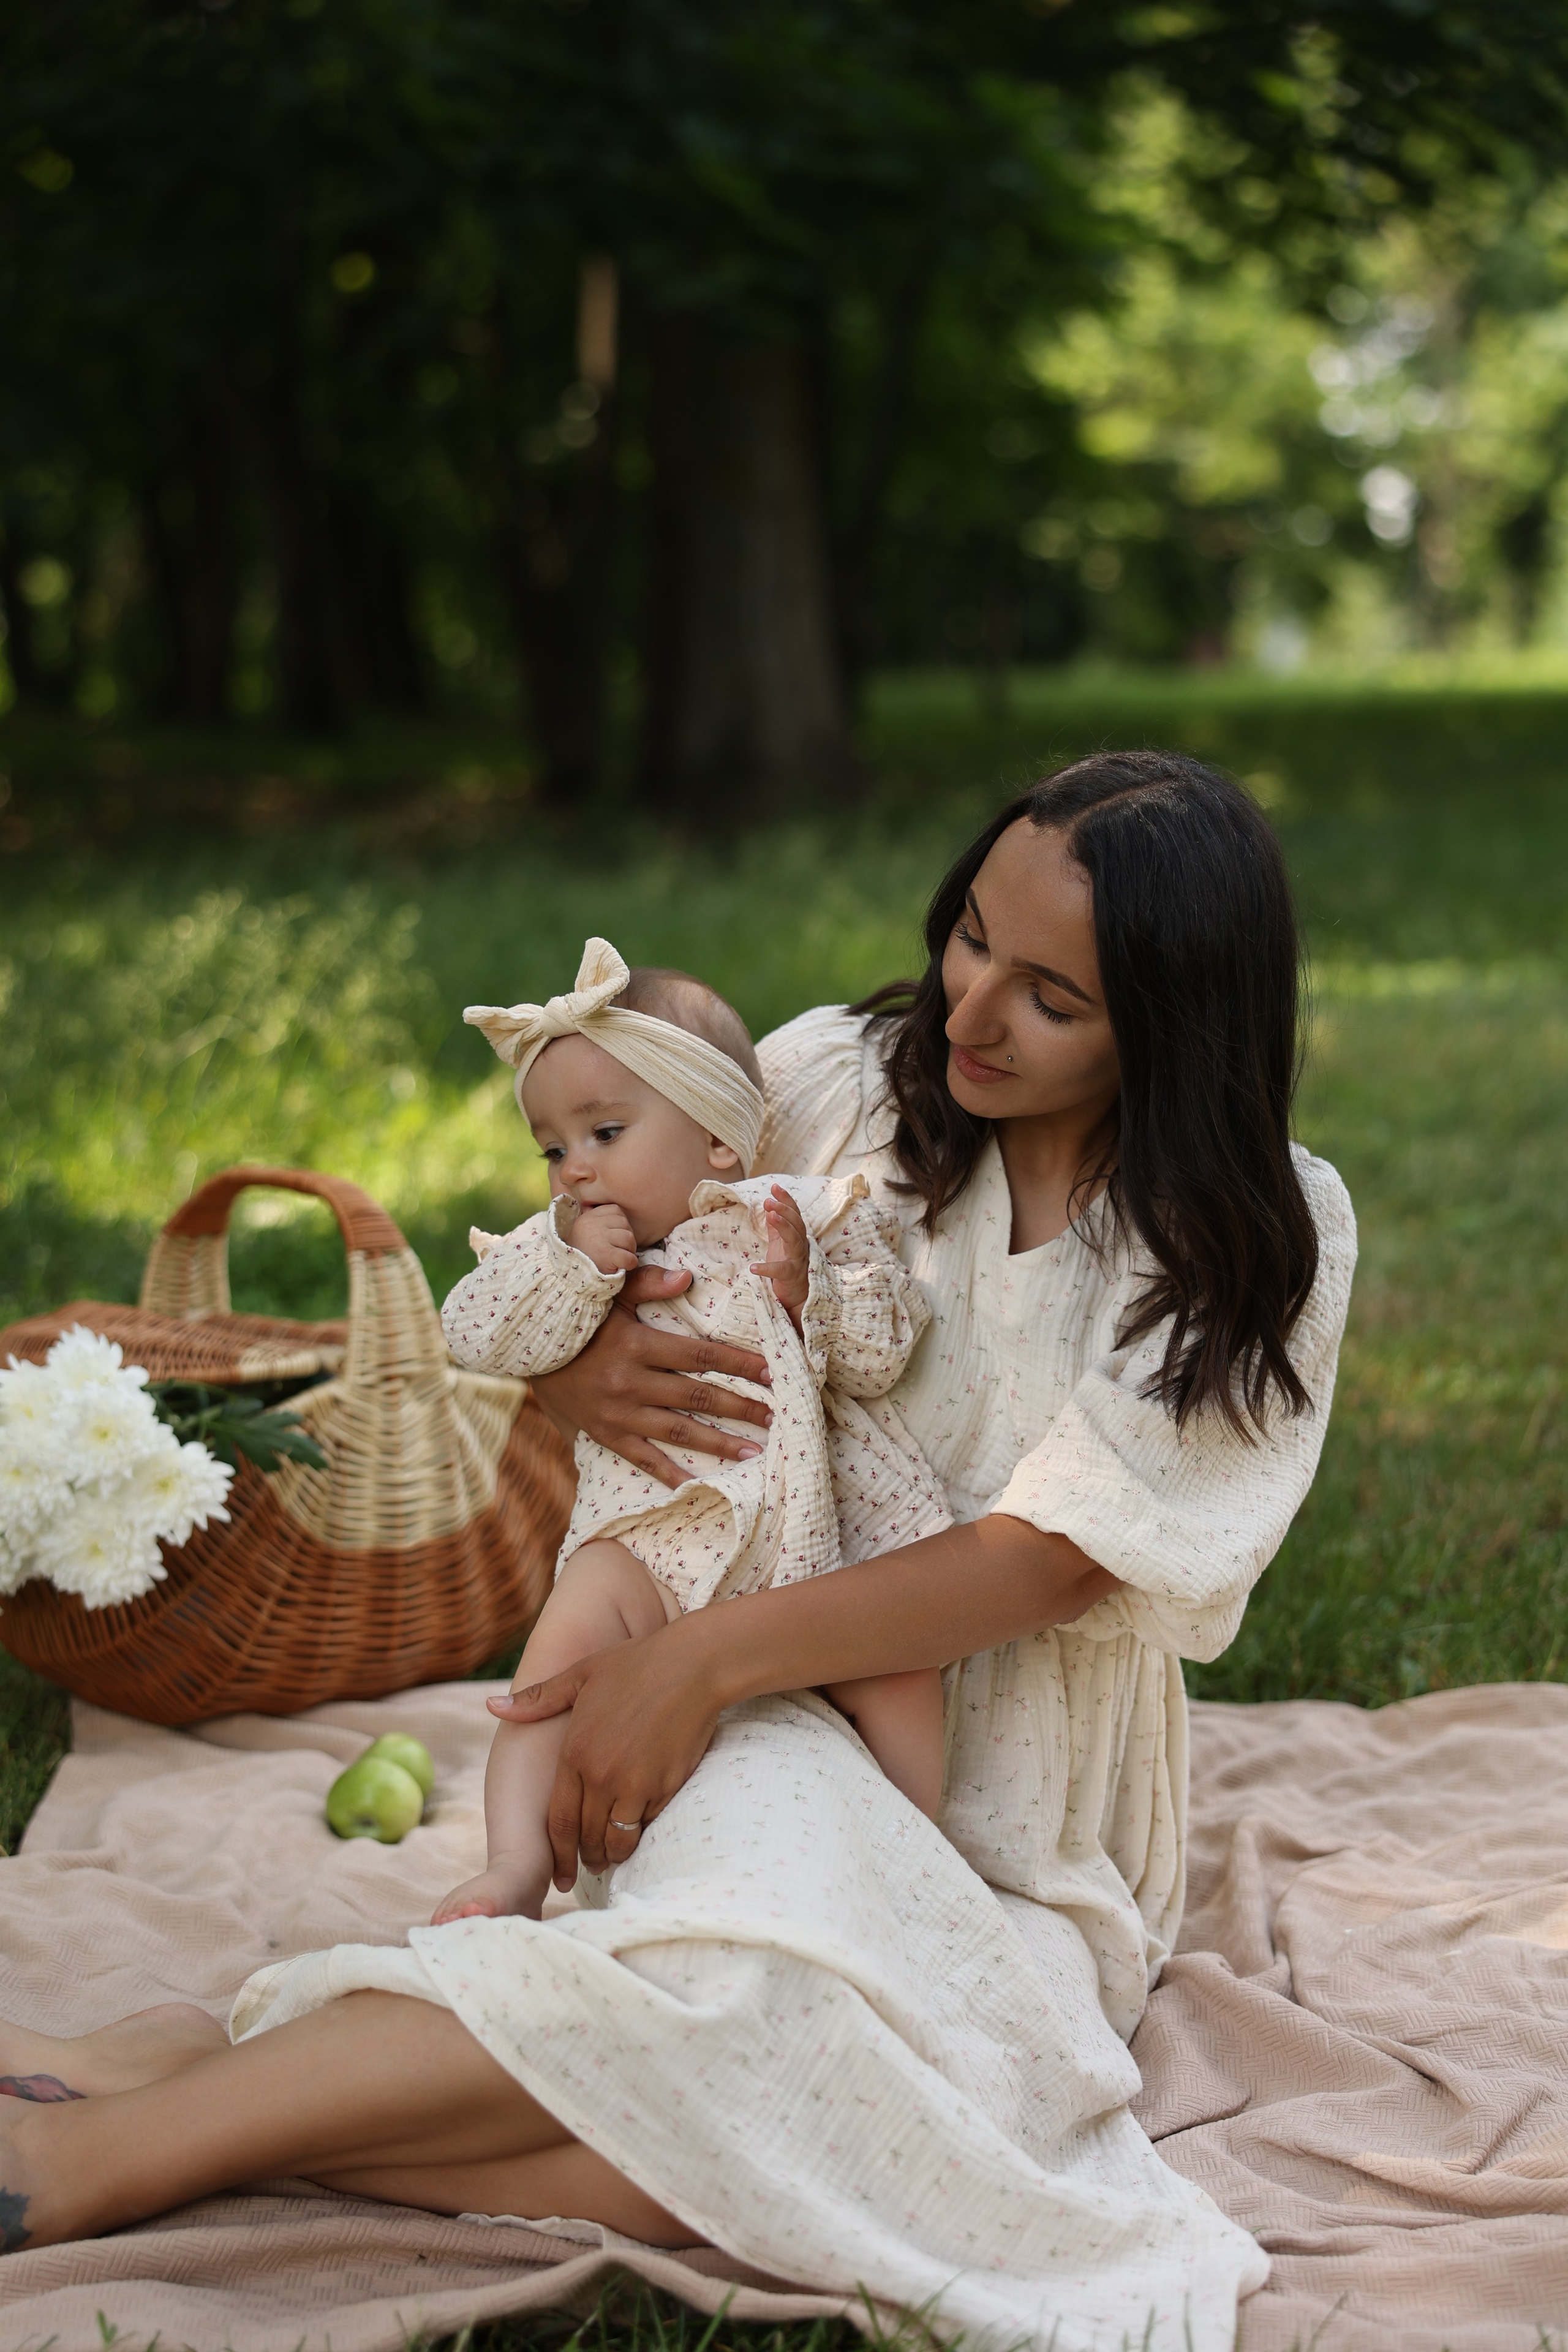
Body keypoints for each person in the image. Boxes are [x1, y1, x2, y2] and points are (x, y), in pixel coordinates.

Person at [0, 751, 1355, 2352]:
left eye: (1051, 997)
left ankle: (217, 2075)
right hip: (763, 1714)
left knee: (829, 2122)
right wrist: (579, 1362)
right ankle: (81, 2162)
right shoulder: (847, 1082)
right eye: (972, 936)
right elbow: (617, 1195)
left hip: (1006, 1820)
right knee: (746, 2035)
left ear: (1174, 1027)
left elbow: (1046, 1561)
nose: (973, 1008)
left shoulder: (1258, 1234)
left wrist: (684, 1663)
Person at [432, 937, 950, 1924]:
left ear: (719, 1140)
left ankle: (914, 1857)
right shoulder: (568, 1249)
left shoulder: (801, 1214)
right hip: (654, 1537)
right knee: (555, 1661)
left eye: (605, 1133)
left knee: (900, 1666)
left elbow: (889, 1346)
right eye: (553, 1149)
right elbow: (475, 1330)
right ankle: (509, 1865)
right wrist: (572, 1267)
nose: (573, 1171)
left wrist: (817, 1299)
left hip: (812, 1542)